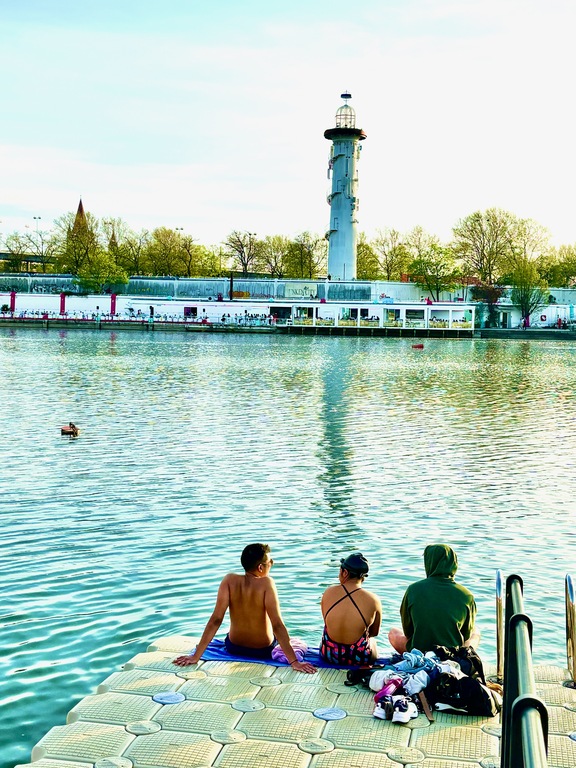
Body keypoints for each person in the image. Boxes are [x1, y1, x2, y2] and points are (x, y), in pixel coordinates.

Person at [173, 543, 316, 673]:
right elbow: (277, 625)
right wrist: (294, 662)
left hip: (234, 647)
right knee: (293, 640)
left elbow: (216, 619)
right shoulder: (267, 583)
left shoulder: (229, 580)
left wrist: (196, 656)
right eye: (270, 562)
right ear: (260, 568)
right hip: (263, 650)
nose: (272, 564)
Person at [388, 544, 480, 654]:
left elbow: (408, 631)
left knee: (393, 633)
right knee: (475, 632)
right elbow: (466, 634)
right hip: (451, 654)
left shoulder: (413, 589)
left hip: (419, 652)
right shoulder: (466, 595)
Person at [320, 552, 382, 666]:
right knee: (373, 641)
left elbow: (327, 623)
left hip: (330, 655)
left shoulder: (328, 592)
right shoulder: (373, 599)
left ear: (345, 572)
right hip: (359, 658)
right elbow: (374, 633)